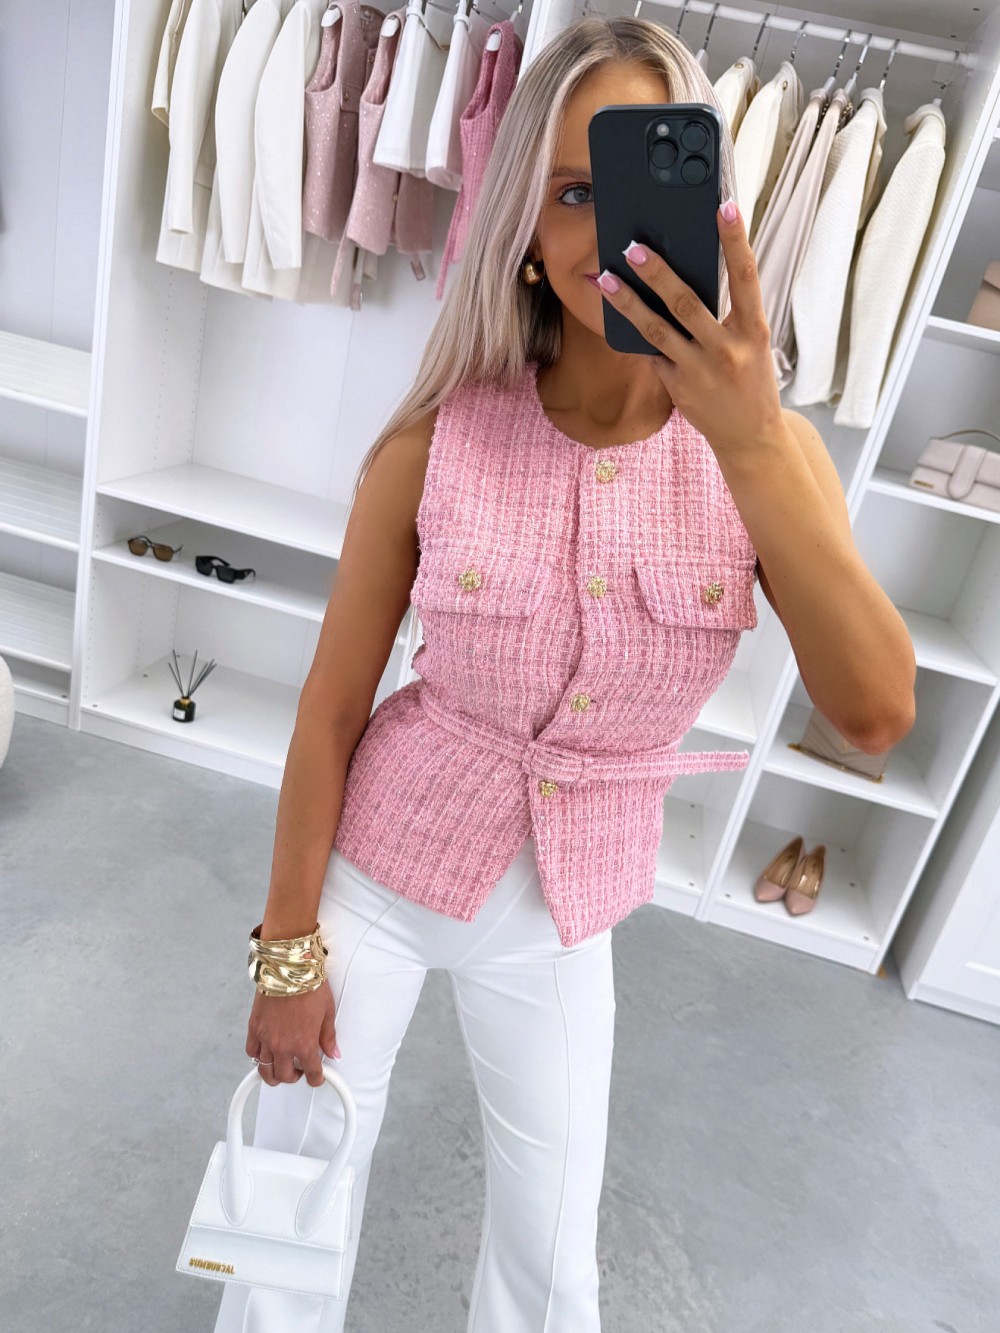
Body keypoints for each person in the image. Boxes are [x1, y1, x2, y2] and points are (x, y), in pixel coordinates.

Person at [213, 15, 916, 1333]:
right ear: (526, 228)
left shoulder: (770, 460)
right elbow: (331, 709)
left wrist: (753, 441)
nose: (608, 231)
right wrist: (288, 949)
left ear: (709, 211)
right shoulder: (435, 440)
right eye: (573, 192)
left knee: (553, 1262)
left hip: (563, 906)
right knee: (283, 1192)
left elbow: (876, 714)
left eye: (640, 187)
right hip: (383, 866)